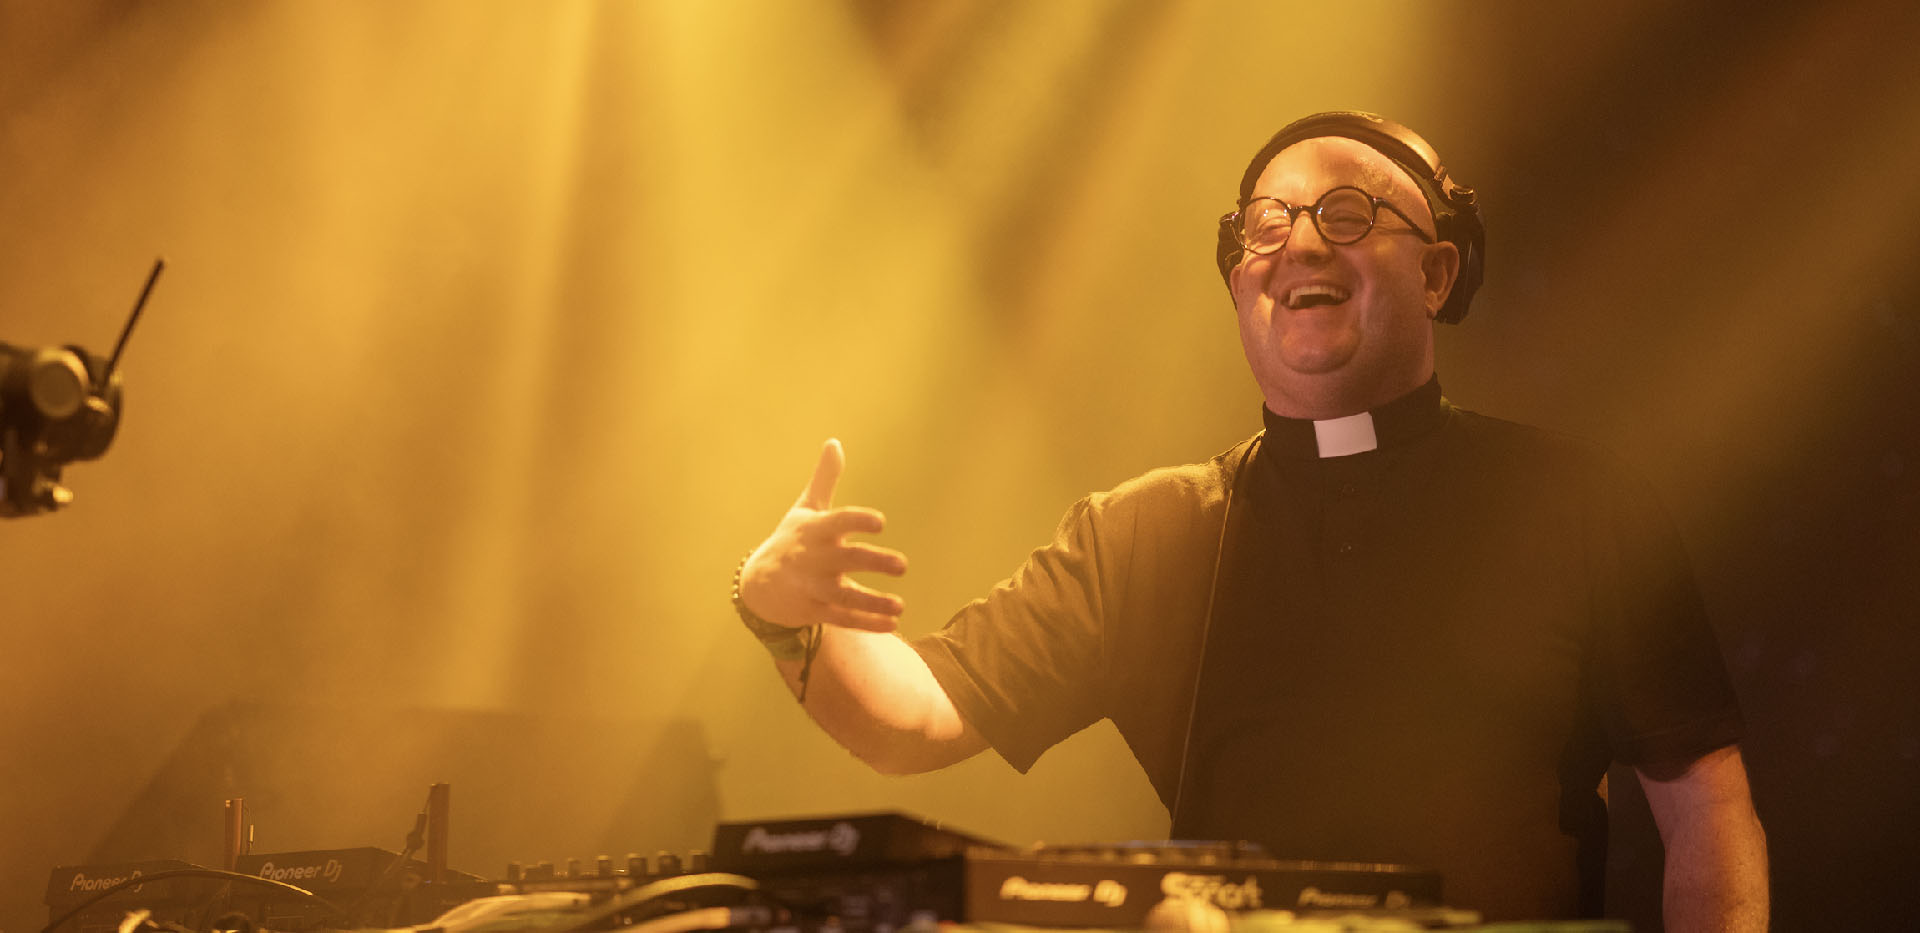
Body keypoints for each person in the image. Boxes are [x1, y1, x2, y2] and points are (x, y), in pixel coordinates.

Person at [731, 112, 1768, 929]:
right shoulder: (1141, 534)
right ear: (1238, 282)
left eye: (1348, 214)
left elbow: (1708, 813)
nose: (1299, 241)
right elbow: (913, 721)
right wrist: (784, 616)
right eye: (1267, 224)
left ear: (1439, 274)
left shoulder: (1581, 504)